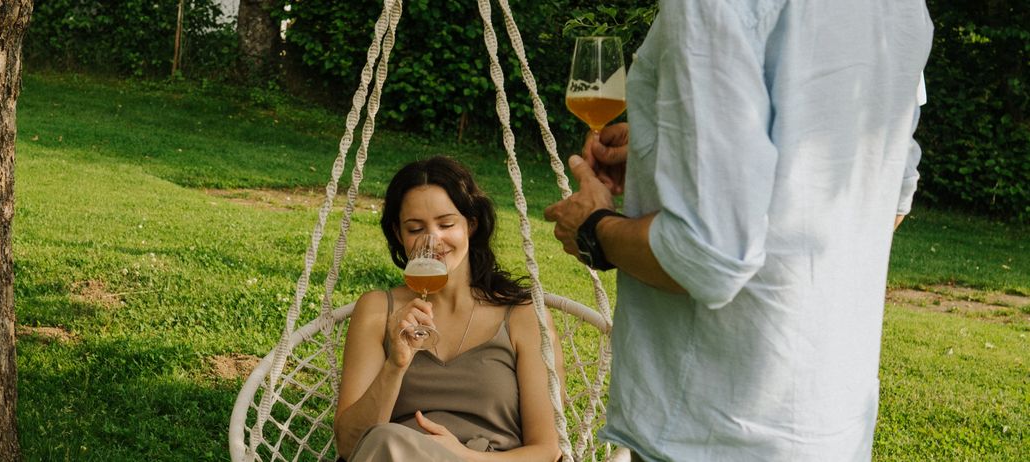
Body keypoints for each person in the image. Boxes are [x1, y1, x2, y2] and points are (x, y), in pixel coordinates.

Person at [544, 1, 933, 460]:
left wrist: (593, 228)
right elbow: (884, 200)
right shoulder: (902, 9)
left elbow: (707, 257)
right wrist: (665, 154)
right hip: (831, 419)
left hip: (713, 425)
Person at [335, 156, 565, 461]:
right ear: (398, 234)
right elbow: (350, 446)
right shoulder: (379, 310)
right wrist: (395, 366)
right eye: (416, 229)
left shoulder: (522, 316)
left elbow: (547, 450)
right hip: (392, 455)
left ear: (470, 225)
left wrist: (465, 457)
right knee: (386, 440)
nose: (434, 240)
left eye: (446, 224)